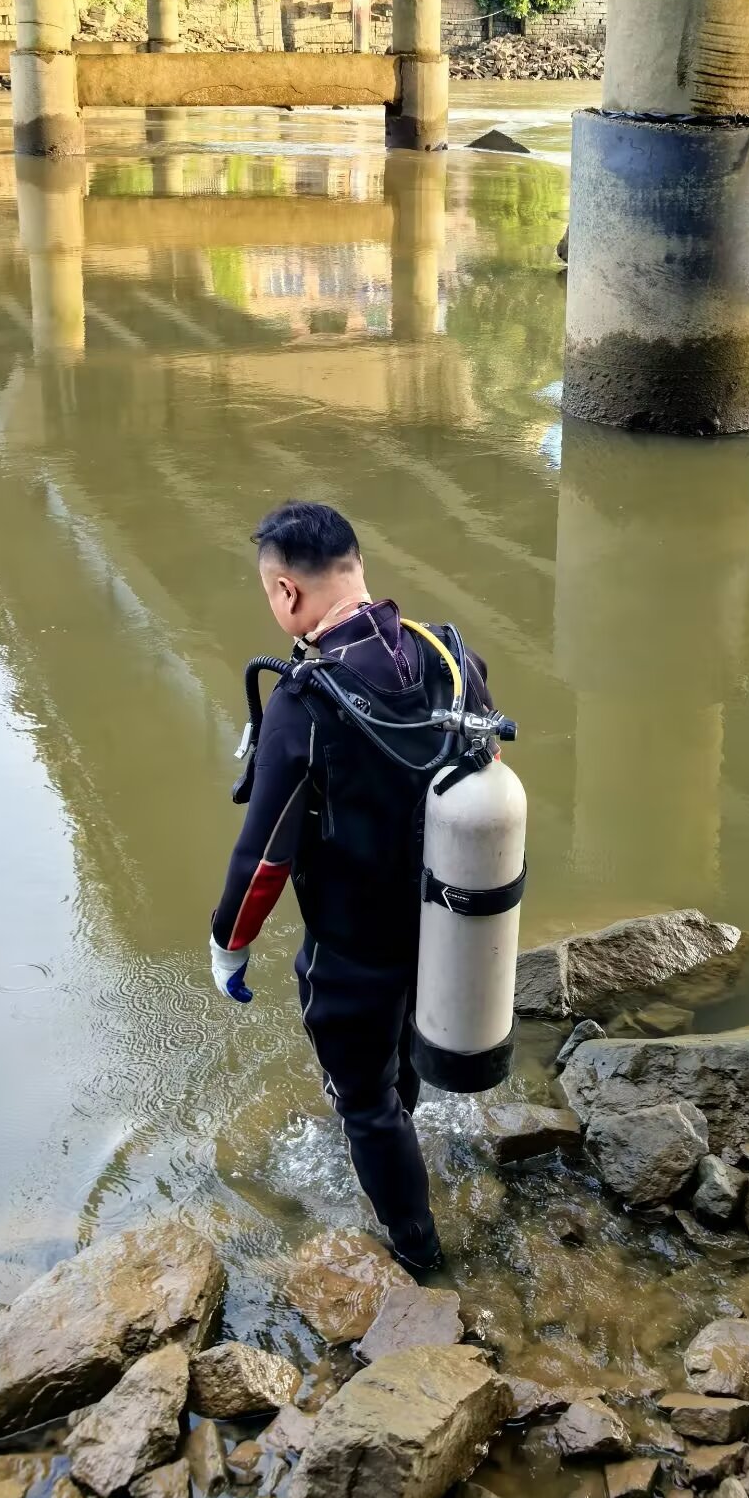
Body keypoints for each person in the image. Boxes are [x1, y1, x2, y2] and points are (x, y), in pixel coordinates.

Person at [208, 500, 493, 1274]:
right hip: (449, 925)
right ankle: (410, 1119)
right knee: (400, 1059)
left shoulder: (303, 703)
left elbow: (265, 853)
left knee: (363, 1104)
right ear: (357, 567)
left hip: (354, 950)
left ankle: (418, 1252)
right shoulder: (450, 656)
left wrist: (227, 944)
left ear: (286, 595)